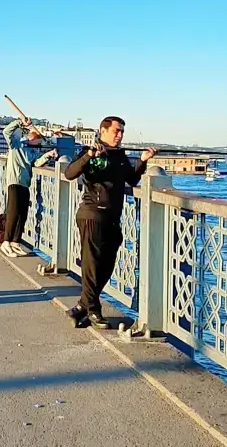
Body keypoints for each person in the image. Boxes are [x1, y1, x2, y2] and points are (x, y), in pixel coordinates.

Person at [64, 116, 157, 328]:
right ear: (103, 131)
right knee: (92, 265)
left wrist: (142, 160)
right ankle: (92, 309)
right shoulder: (90, 151)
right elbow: (70, 173)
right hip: (91, 214)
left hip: (113, 218)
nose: (120, 135)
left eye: (122, 131)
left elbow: (131, 179)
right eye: (116, 131)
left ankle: (82, 307)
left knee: (107, 264)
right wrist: (89, 155)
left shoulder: (120, 155)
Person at [1, 117, 58, 257]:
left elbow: (36, 163)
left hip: (25, 184)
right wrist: (20, 123)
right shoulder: (16, 145)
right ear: (31, 139)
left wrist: (47, 156)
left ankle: (15, 241)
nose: (37, 146)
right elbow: (6, 132)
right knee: (13, 213)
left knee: (22, 215)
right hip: (14, 182)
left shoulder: (32, 152)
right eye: (36, 143)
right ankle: (6, 242)